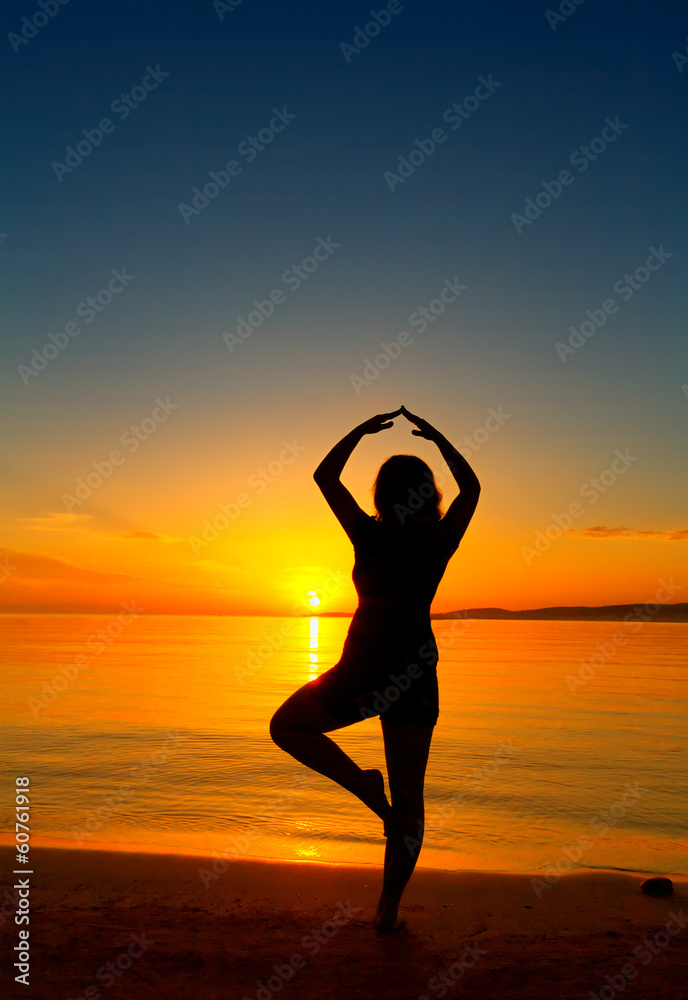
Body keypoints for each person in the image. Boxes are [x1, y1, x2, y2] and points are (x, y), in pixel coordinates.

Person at [269, 404, 480, 931]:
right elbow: (472, 488)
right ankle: (387, 911)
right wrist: (439, 438)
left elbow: (324, 475)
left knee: (286, 727)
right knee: (409, 802)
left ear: (382, 496)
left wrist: (361, 433)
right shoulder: (439, 542)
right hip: (411, 675)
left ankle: (362, 785)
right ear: (430, 494)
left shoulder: (369, 534)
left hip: (363, 671)